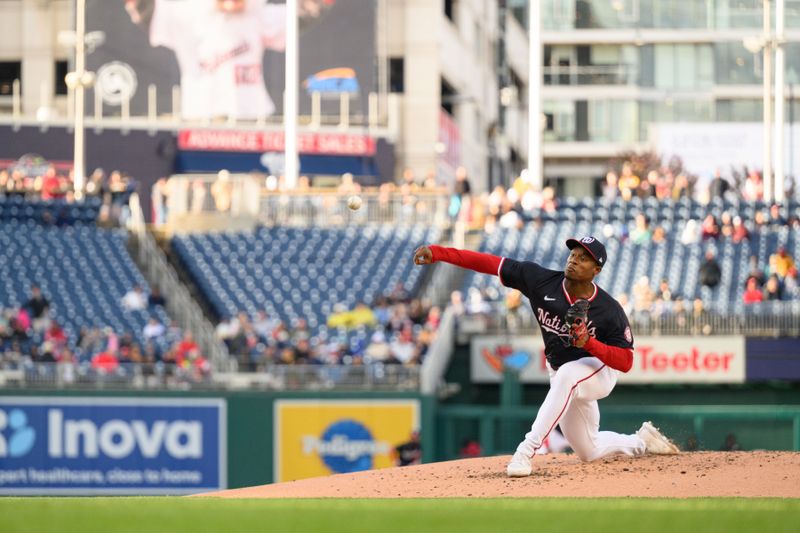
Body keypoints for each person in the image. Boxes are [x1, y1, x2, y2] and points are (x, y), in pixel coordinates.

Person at [413, 236, 679, 478]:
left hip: (599, 371)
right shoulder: (539, 280)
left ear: (596, 270)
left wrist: (590, 343)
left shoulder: (609, 309)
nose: (574, 259)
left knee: (568, 375)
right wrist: (438, 253)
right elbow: (489, 263)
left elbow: (626, 362)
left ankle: (525, 452)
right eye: (573, 253)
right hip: (563, 374)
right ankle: (643, 441)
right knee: (589, 450)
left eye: (584, 257)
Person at [125, 0, 334, 120]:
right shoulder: (184, 13)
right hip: (200, 117)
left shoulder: (257, 14)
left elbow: (308, 10)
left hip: (251, 116)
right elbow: (142, 8)